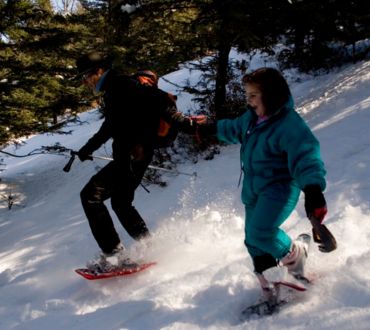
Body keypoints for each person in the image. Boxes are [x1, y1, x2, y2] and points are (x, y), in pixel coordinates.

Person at [74, 52, 204, 273]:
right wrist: (88, 148)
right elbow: (111, 125)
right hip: (135, 156)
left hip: (132, 157)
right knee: (121, 203)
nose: (84, 81)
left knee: (90, 196)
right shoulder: (114, 89)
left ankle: (114, 256)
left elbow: (158, 101)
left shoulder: (120, 85)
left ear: (98, 71)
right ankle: (150, 248)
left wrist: (188, 125)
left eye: (86, 75)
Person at [205, 67, 327, 301]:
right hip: (254, 190)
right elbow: (232, 129)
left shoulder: (289, 124)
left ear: (270, 95)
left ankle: (296, 256)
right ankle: (270, 288)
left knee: (261, 232)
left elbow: (307, 156)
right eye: (247, 95)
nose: (248, 102)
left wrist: (312, 189)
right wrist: (201, 127)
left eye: (253, 96)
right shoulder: (252, 119)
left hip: (279, 189)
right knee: (252, 239)